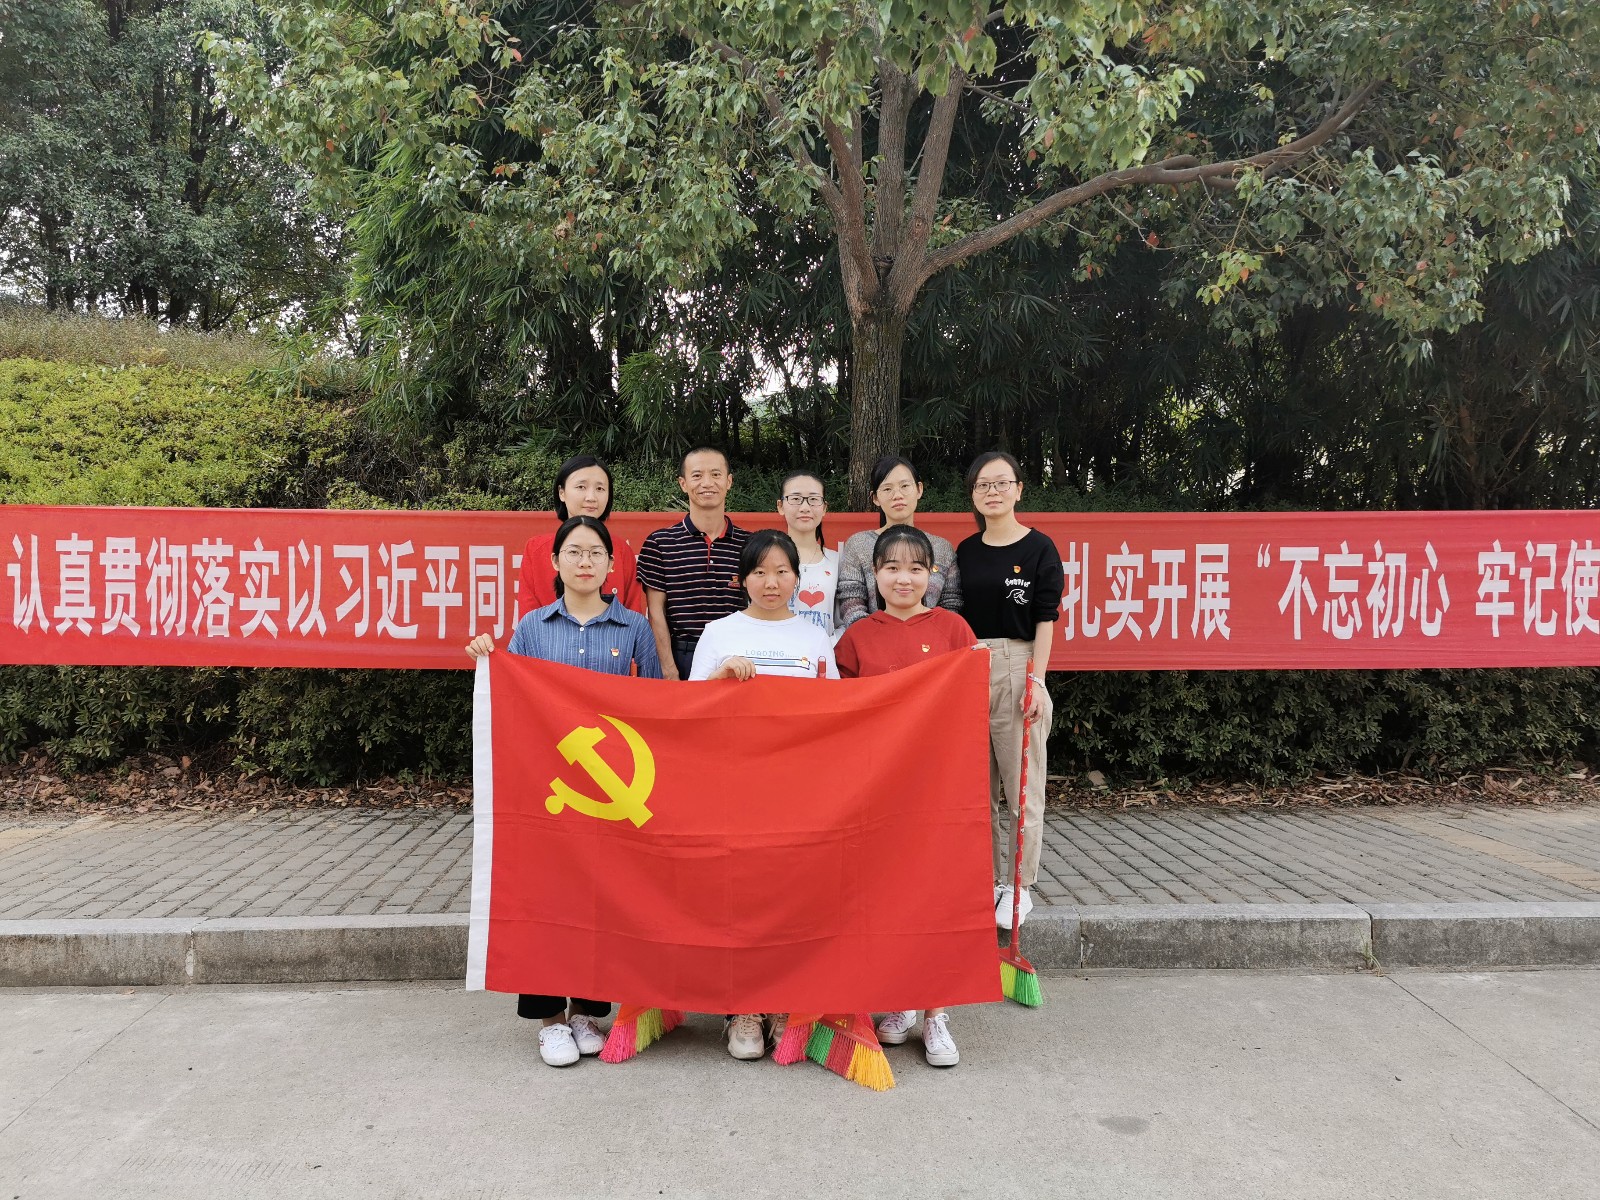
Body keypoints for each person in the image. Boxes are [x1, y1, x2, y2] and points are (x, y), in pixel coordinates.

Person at [465, 515, 662, 1067]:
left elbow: (656, 706)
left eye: (595, 552)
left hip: (612, 789)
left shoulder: (633, 629)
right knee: (546, 897)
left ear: (611, 565)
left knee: (602, 897)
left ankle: (586, 1012)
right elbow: (513, 695)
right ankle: (550, 1020)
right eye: (573, 552)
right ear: (554, 562)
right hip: (548, 786)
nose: (584, 561)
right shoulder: (532, 627)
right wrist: (486, 654)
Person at [690, 529, 838, 1061]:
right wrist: (720, 678)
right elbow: (687, 715)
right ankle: (743, 1007)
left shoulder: (815, 638)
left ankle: (782, 1002)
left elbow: (836, 715)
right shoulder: (719, 632)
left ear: (798, 577)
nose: (771, 582)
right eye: (759, 572)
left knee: (790, 895)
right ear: (741, 579)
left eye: (781, 572)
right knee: (740, 896)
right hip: (733, 788)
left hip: (798, 790)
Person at [834, 525, 977, 1068]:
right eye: (891, 567)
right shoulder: (856, 638)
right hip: (876, 788)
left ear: (932, 576)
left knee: (934, 894)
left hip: (937, 786)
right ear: (874, 574)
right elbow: (840, 714)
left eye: (916, 568)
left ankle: (935, 1014)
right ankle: (897, 1002)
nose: (903, 578)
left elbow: (970, 701)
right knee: (885, 895)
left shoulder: (954, 630)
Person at [955, 451, 1063, 929]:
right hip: (969, 667)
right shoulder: (964, 551)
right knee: (976, 792)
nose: (992, 492)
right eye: (982, 485)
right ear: (973, 495)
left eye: (1001, 483)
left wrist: (1037, 680)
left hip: (1019, 665)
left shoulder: (1039, 548)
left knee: (1022, 788)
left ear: (1019, 489)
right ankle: (982, 882)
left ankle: (1018, 887)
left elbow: (1046, 619)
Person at [636, 446, 749, 680]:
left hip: (738, 656)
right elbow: (656, 612)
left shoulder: (750, 544)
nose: (707, 483)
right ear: (683, 483)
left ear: (728, 481)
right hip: (682, 655)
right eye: (697, 475)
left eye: (716, 474)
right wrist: (668, 669)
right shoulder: (660, 543)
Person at [835, 455, 961, 630]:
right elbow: (852, 604)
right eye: (887, 489)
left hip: (930, 642)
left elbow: (950, 604)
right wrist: (877, 637)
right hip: (875, 642)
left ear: (919, 489)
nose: (897, 495)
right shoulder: (858, 545)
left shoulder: (942, 548)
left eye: (905, 486)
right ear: (875, 498)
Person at [516, 455, 644, 617]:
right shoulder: (536, 549)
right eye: (581, 487)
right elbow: (528, 621)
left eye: (600, 489)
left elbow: (633, 619)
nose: (591, 497)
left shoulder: (621, 551)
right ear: (562, 492)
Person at [776, 469, 840, 642]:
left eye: (813, 499)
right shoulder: (766, 559)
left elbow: (843, 621)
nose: (805, 508)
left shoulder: (838, 561)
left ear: (824, 507)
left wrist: (826, 648)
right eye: (795, 499)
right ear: (780, 506)